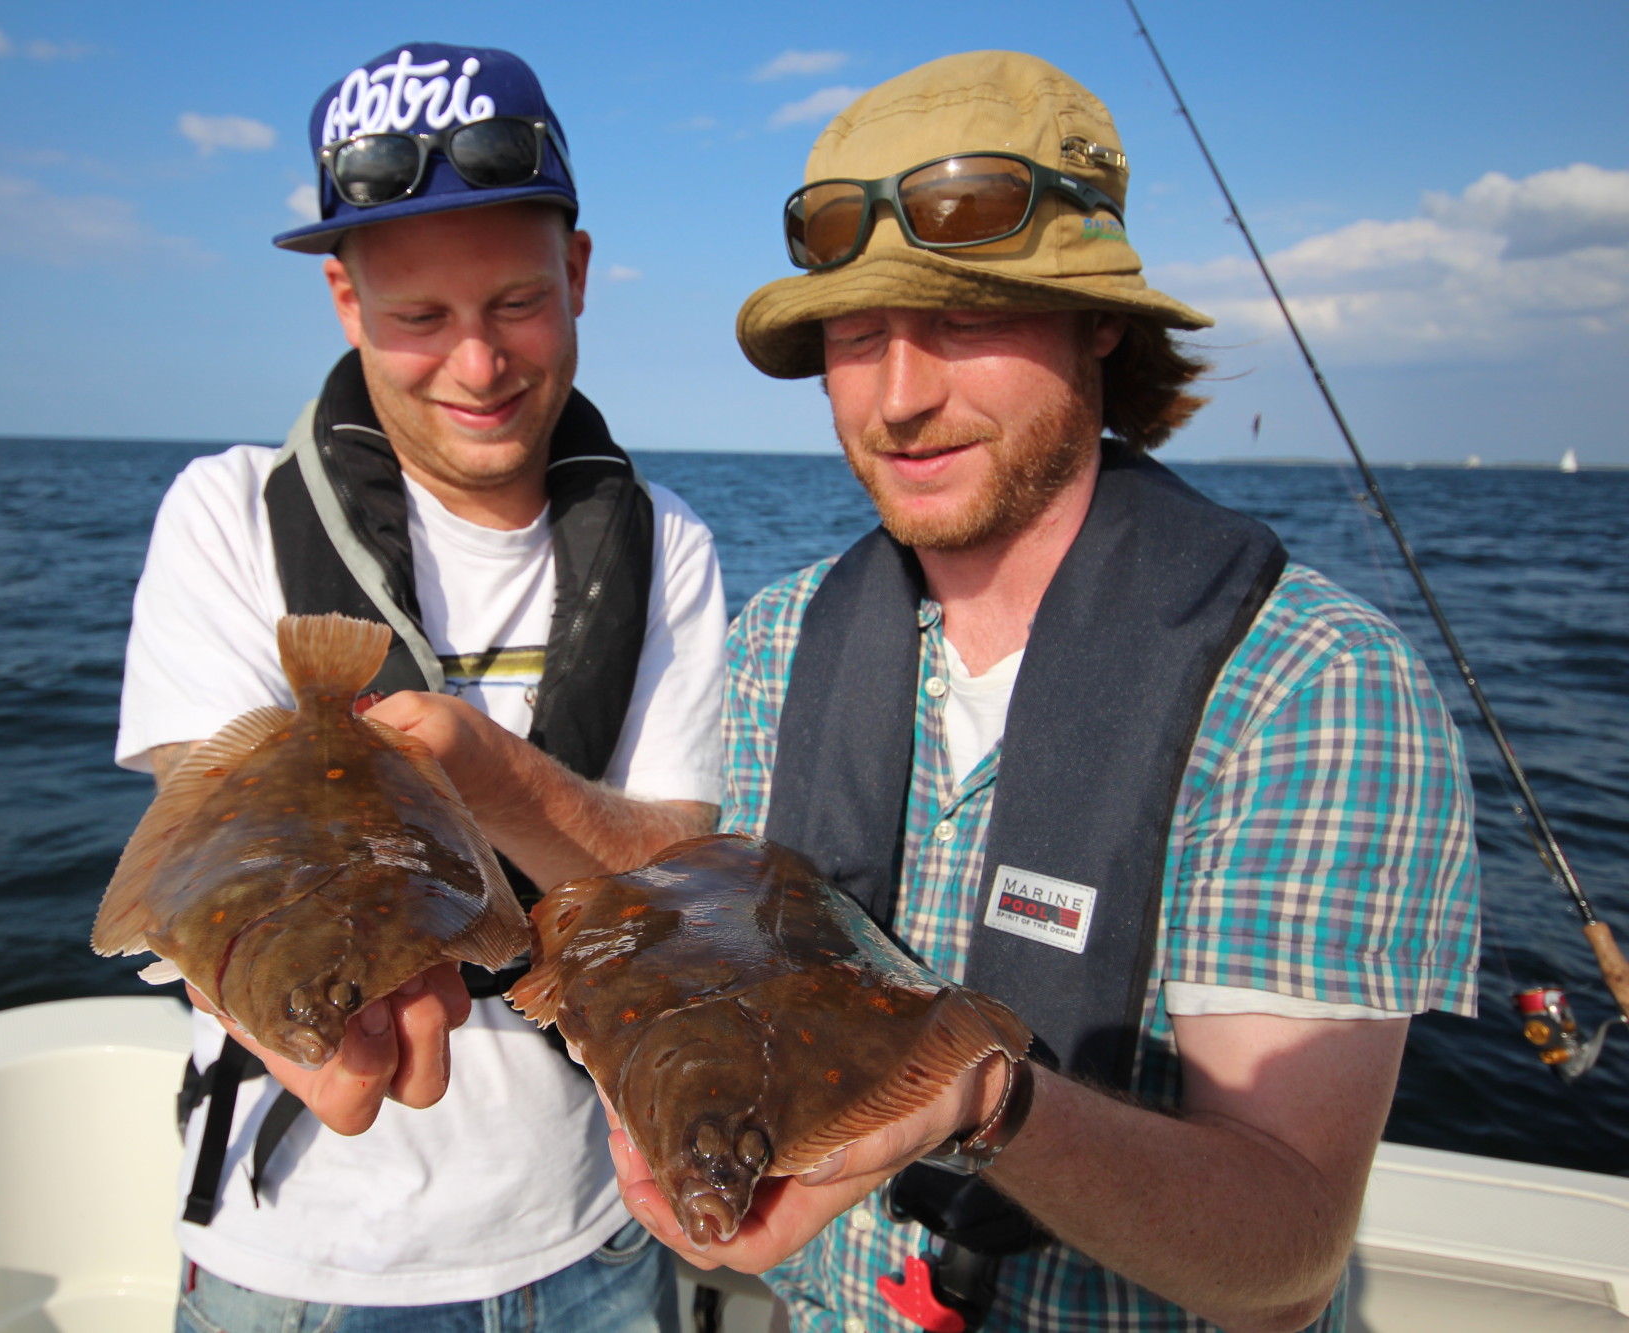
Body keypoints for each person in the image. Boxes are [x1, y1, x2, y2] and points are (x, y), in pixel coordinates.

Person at [603, 51, 1479, 1333]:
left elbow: (1284, 1261)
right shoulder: (780, 638)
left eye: (963, 320)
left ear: (1099, 323)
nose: (899, 397)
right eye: (854, 335)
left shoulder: (1313, 686)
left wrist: (979, 1096)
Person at [115, 42, 724, 1333]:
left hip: (598, 1222)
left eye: (514, 302)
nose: (478, 363)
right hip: (306, 1258)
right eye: (418, 318)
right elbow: (204, 836)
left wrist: (487, 772)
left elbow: (684, 865)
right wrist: (307, 1001)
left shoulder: (669, 541)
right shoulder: (227, 514)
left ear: (577, 274)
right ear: (345, 302)